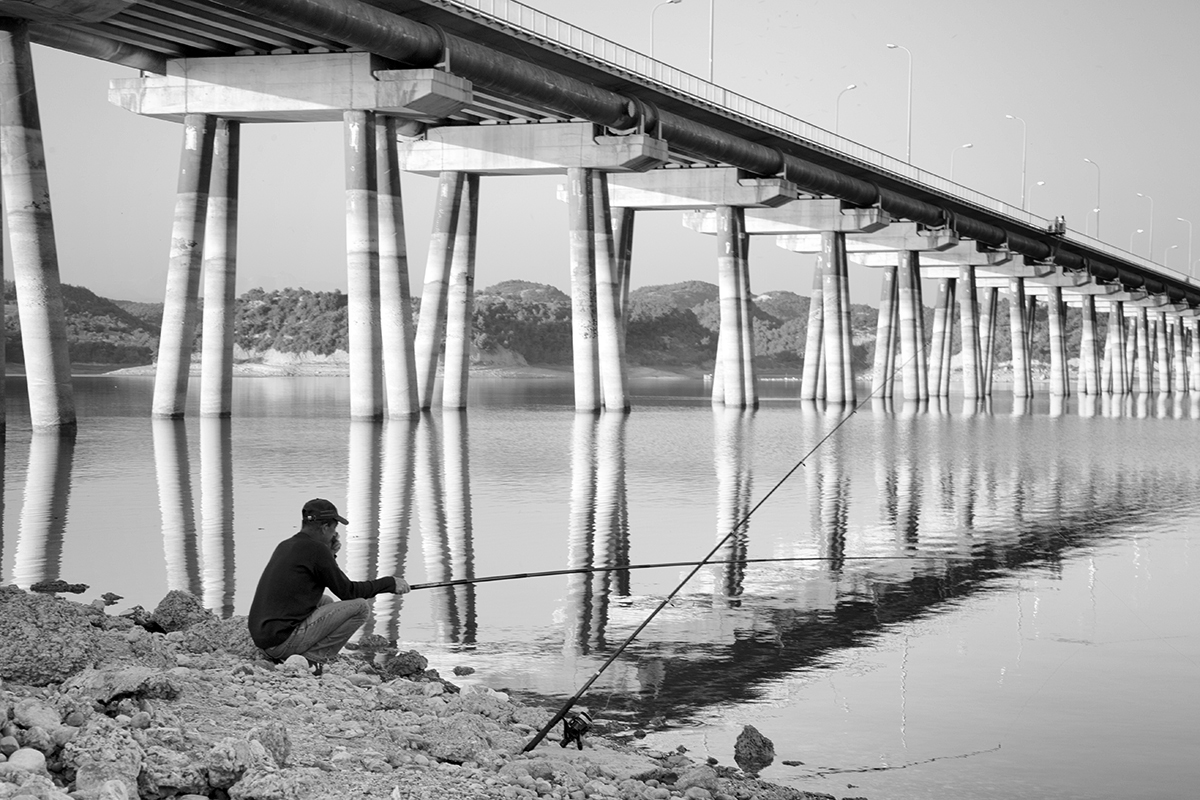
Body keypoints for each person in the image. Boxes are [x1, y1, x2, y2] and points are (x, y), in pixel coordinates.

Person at [248, 498, 409, 675]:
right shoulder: (317, 550)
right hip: (281, 643)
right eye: (334, 529)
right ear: (325, 527)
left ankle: (293, 657)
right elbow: (348, 592)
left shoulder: (287, 545)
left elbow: (324, 576)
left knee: (325, 601)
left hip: (265, 641)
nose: (334, 534)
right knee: (361, 607)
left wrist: (330, 554)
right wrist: (389, 583)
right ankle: (313, 661)